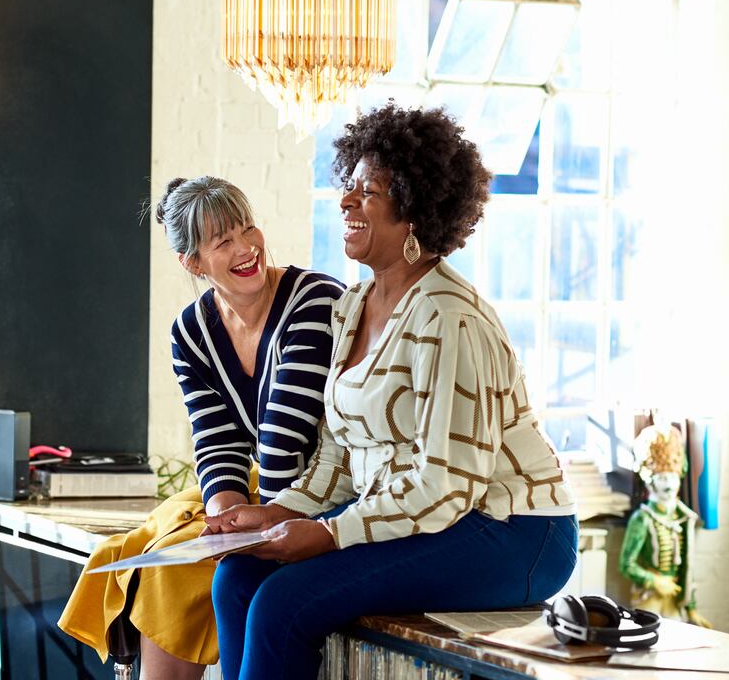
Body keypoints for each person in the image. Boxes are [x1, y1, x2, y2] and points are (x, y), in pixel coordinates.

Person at [204, 104, 579, 680]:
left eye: (367, 191)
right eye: (347, 186)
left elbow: (444, 487)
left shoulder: (448, 317)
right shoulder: (353, 307)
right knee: (237, 577)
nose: (346, 201)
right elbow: (341, 456)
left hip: (509, 529)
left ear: (412, 208)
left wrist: (328, 533)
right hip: (434, 514)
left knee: (284, 603)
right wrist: (274, 512)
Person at [58, 176, 344, 679]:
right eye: (224, 241)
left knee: (225, 573)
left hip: (330, 494)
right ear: (193, 262)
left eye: (248, 229)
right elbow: (215, 441)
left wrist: (259, 527)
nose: (247, 248)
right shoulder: (190, 331)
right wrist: (226, 517)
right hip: (268, 498)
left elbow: (286, 431)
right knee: (167, 565)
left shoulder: (313, 299)